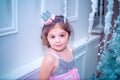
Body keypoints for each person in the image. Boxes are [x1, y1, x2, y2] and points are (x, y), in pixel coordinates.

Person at [40, 11, 80, 80]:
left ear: (68, 35)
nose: (57, 40)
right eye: (52, 37)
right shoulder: (50, 59)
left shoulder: (70, 50)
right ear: (47, 38)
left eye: (62, 35)